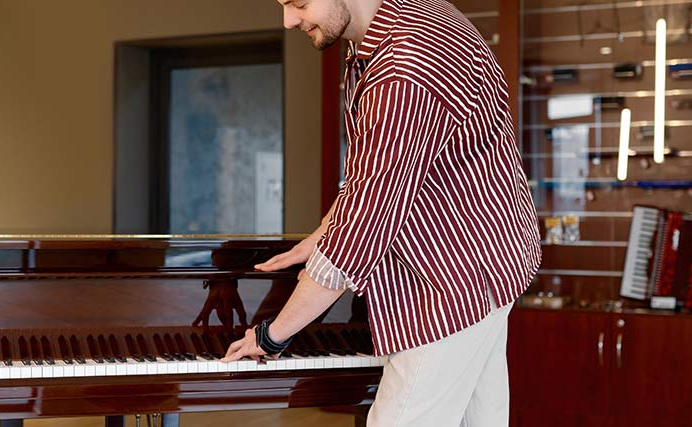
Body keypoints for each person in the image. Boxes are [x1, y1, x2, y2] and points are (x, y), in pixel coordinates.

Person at [220, 0, 541, 425]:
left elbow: (360, 231)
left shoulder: (406, 65)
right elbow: (373, 175)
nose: (289, 20)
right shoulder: (407, 21)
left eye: (299, 3)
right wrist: (321, 235)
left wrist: (272, 335)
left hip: (451, 284)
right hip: (487, 264)